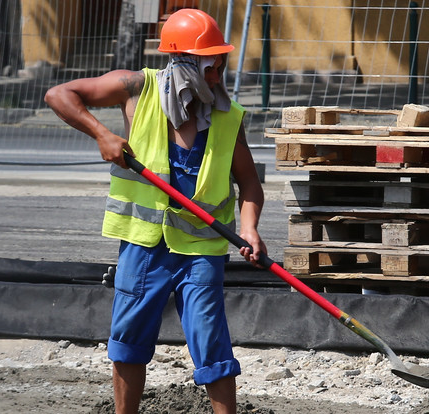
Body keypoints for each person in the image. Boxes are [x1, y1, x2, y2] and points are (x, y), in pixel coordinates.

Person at [44, 8, 266, 414]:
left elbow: (249, 184)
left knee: (211, 340)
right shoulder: (137, 89)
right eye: (210, 66)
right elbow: (59, 95)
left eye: (220, 64)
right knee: (129, 341)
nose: (217, 75)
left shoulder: (226, 116)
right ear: (184, 62)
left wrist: (249, 228)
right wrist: (103, 134)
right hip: (144, 245)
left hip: (201, 250)